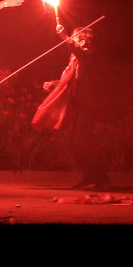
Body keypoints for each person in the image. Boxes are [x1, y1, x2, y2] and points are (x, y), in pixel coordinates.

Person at [32, 24, 110, 189]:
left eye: (75, 37)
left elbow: (80, 53)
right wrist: (54, 84)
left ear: (82, 39)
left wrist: (64, 36)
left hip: (89, 104)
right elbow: (71, 81)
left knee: (82, 140)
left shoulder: (90, 55)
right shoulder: (76, 60)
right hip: (78, 103)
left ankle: (102, 177)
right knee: (76, 141)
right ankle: (89, 175)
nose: (74, 40)